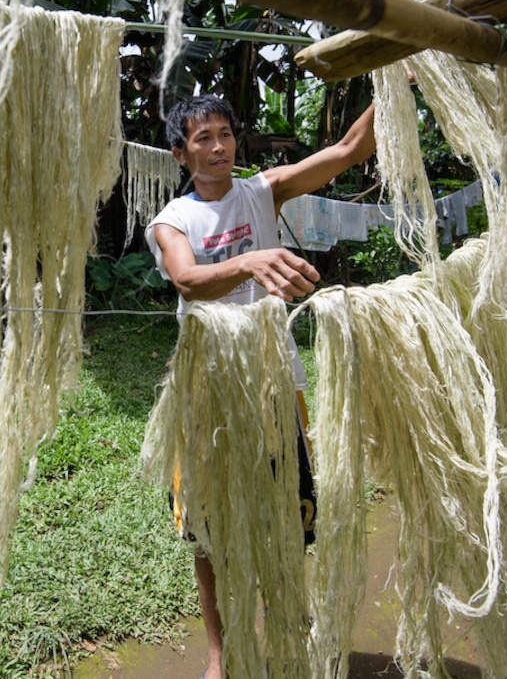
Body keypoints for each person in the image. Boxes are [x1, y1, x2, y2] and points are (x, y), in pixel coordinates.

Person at [146, 93, 376, 679]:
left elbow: (351, 149)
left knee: (288, 513)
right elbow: (188, 280)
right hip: (207, 393)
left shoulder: (261, 191)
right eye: (203, 138)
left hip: (275, 384)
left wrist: (402, 73)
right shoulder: (174, 220)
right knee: (208, 529)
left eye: (225, 133)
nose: (219, 146)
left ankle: (283, 626)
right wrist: (250, 263)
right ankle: (221, 653)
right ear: (180, 153)